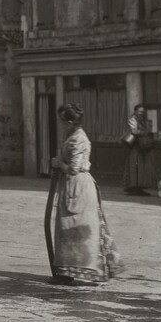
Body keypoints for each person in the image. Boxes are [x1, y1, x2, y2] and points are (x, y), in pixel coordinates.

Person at [51, 103, 123, 284]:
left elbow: (73, 168)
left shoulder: (78, 139)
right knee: (68, 227)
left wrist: (59, 164)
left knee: (75, 227)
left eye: (61, 121)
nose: (59, 124)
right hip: (71, 185)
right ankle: (66, 271)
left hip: (78, 185)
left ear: (69, 122)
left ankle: (80, 270)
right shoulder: (72, 135)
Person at [123, 103, 156, 195]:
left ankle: (140, 187)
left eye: (143, 112)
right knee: (135, 166)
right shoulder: (133, 119)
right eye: (140, 111)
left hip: (142, 146)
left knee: (142, 167)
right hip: (135, 146)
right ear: (135, 111)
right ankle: (133, 188)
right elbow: (134, 131)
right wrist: (144, 133)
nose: (141, 113)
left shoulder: (142, 120)